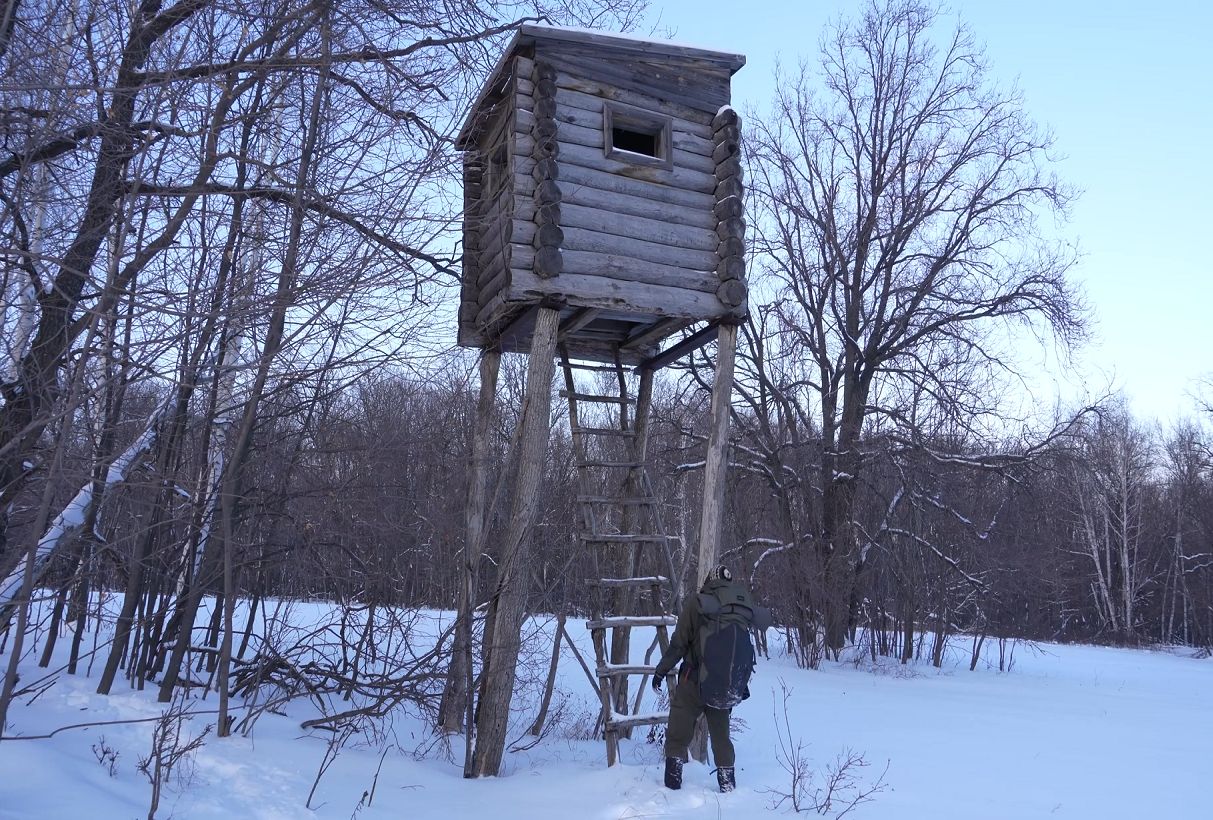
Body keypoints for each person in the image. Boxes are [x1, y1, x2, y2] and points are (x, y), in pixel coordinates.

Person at [652, 564, 762, 793]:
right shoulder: (738, 607)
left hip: (692, 680)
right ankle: (728, 787)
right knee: (721, 737)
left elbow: (679, 644)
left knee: (677, 733)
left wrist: (661, 670)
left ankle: (671, 788)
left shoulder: (698, 602)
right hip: (723, 683)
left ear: (709, 580)